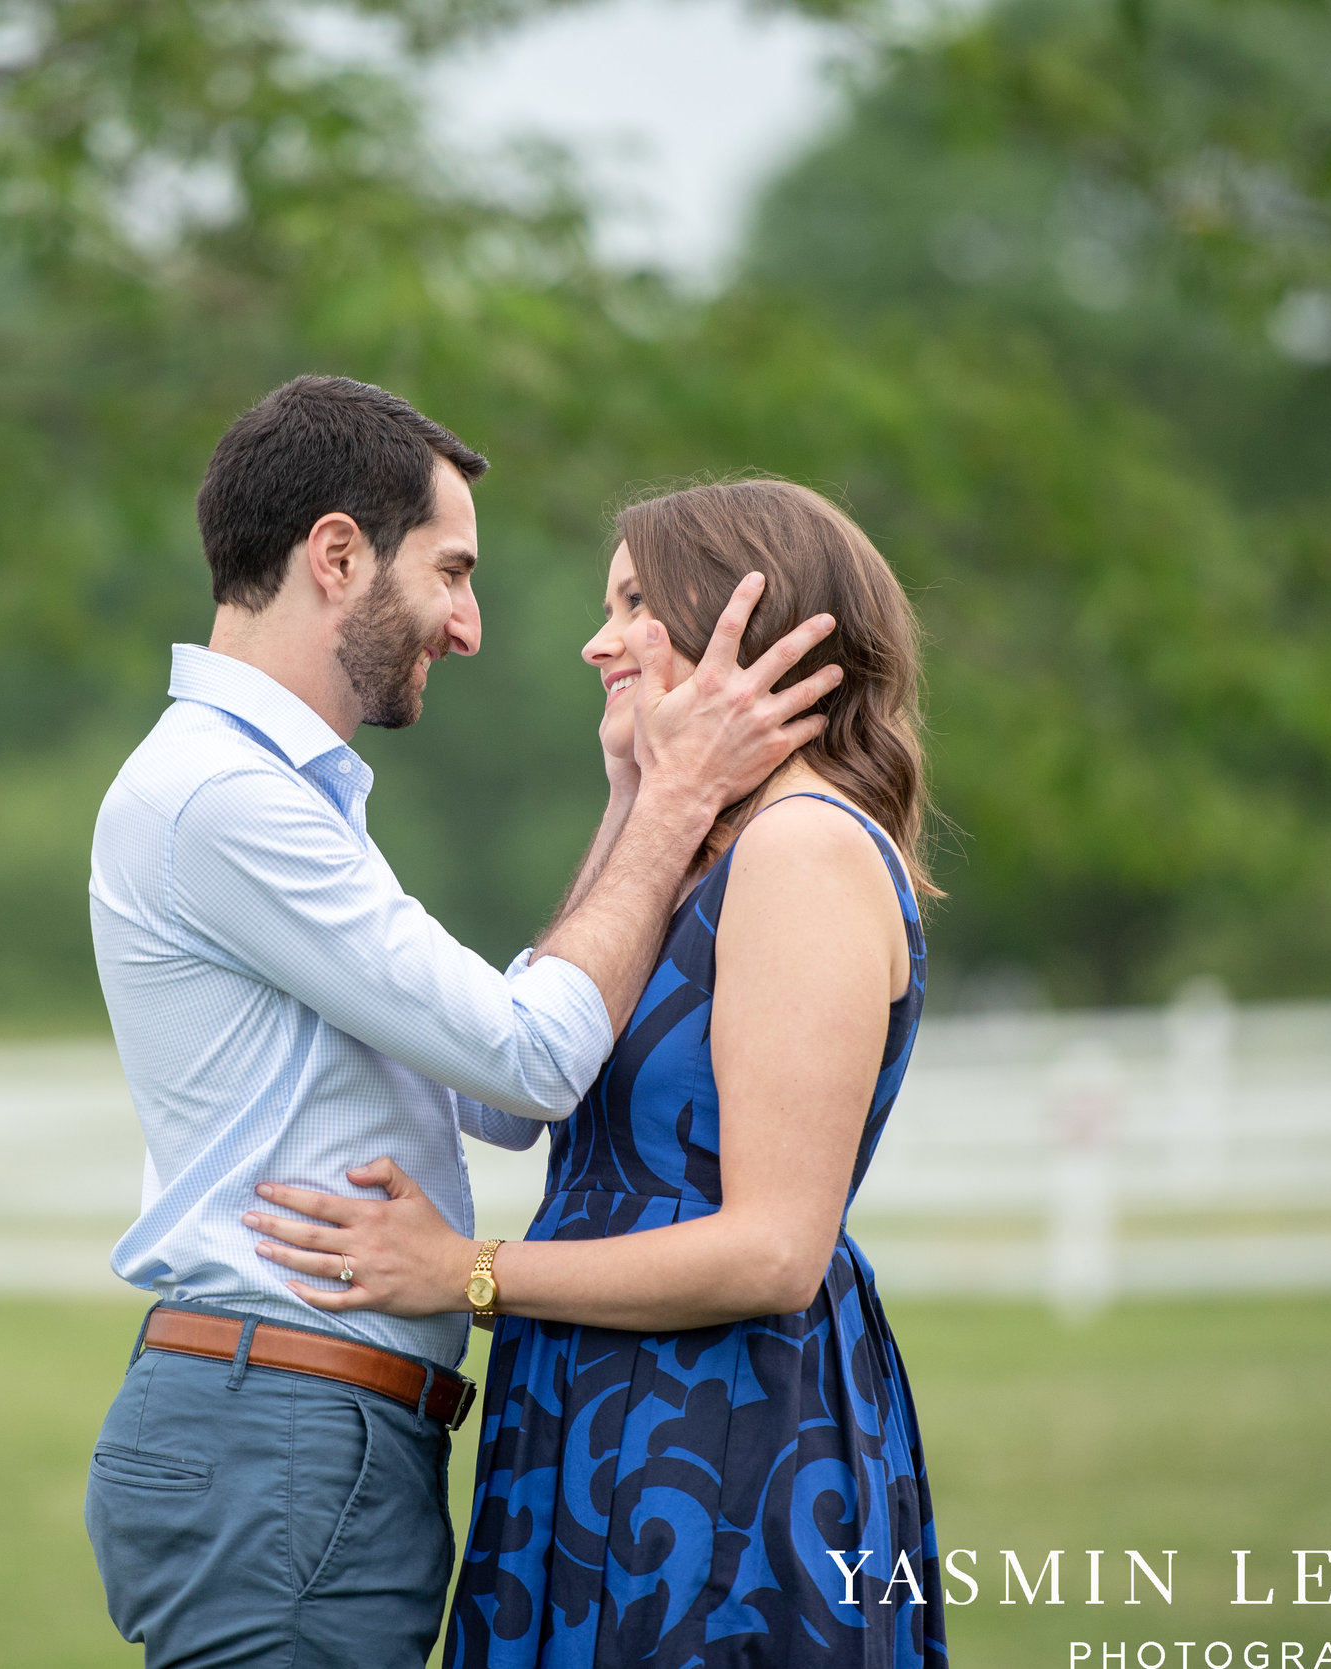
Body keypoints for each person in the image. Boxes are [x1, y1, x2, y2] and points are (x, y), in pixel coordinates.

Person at [83, 380, 844, 1668]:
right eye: (451, 570)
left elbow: (491, 1088)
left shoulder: (280, 792)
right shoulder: (225, 796)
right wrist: (677, 802)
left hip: (309, 1426)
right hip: (284, 1424)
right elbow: (530, 1061)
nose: (471, 625)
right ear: (336, 556)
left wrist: (629, 797)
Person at [244, 478, 950, 1669]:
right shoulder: (695, 851)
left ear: (744, 622)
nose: (596, 639)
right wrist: (637, 792)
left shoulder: (801, 848)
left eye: (631, 602)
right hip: (600, 1396)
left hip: (721, 1428)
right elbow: (542, 1056)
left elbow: (774, 1249)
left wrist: (462, 1273)